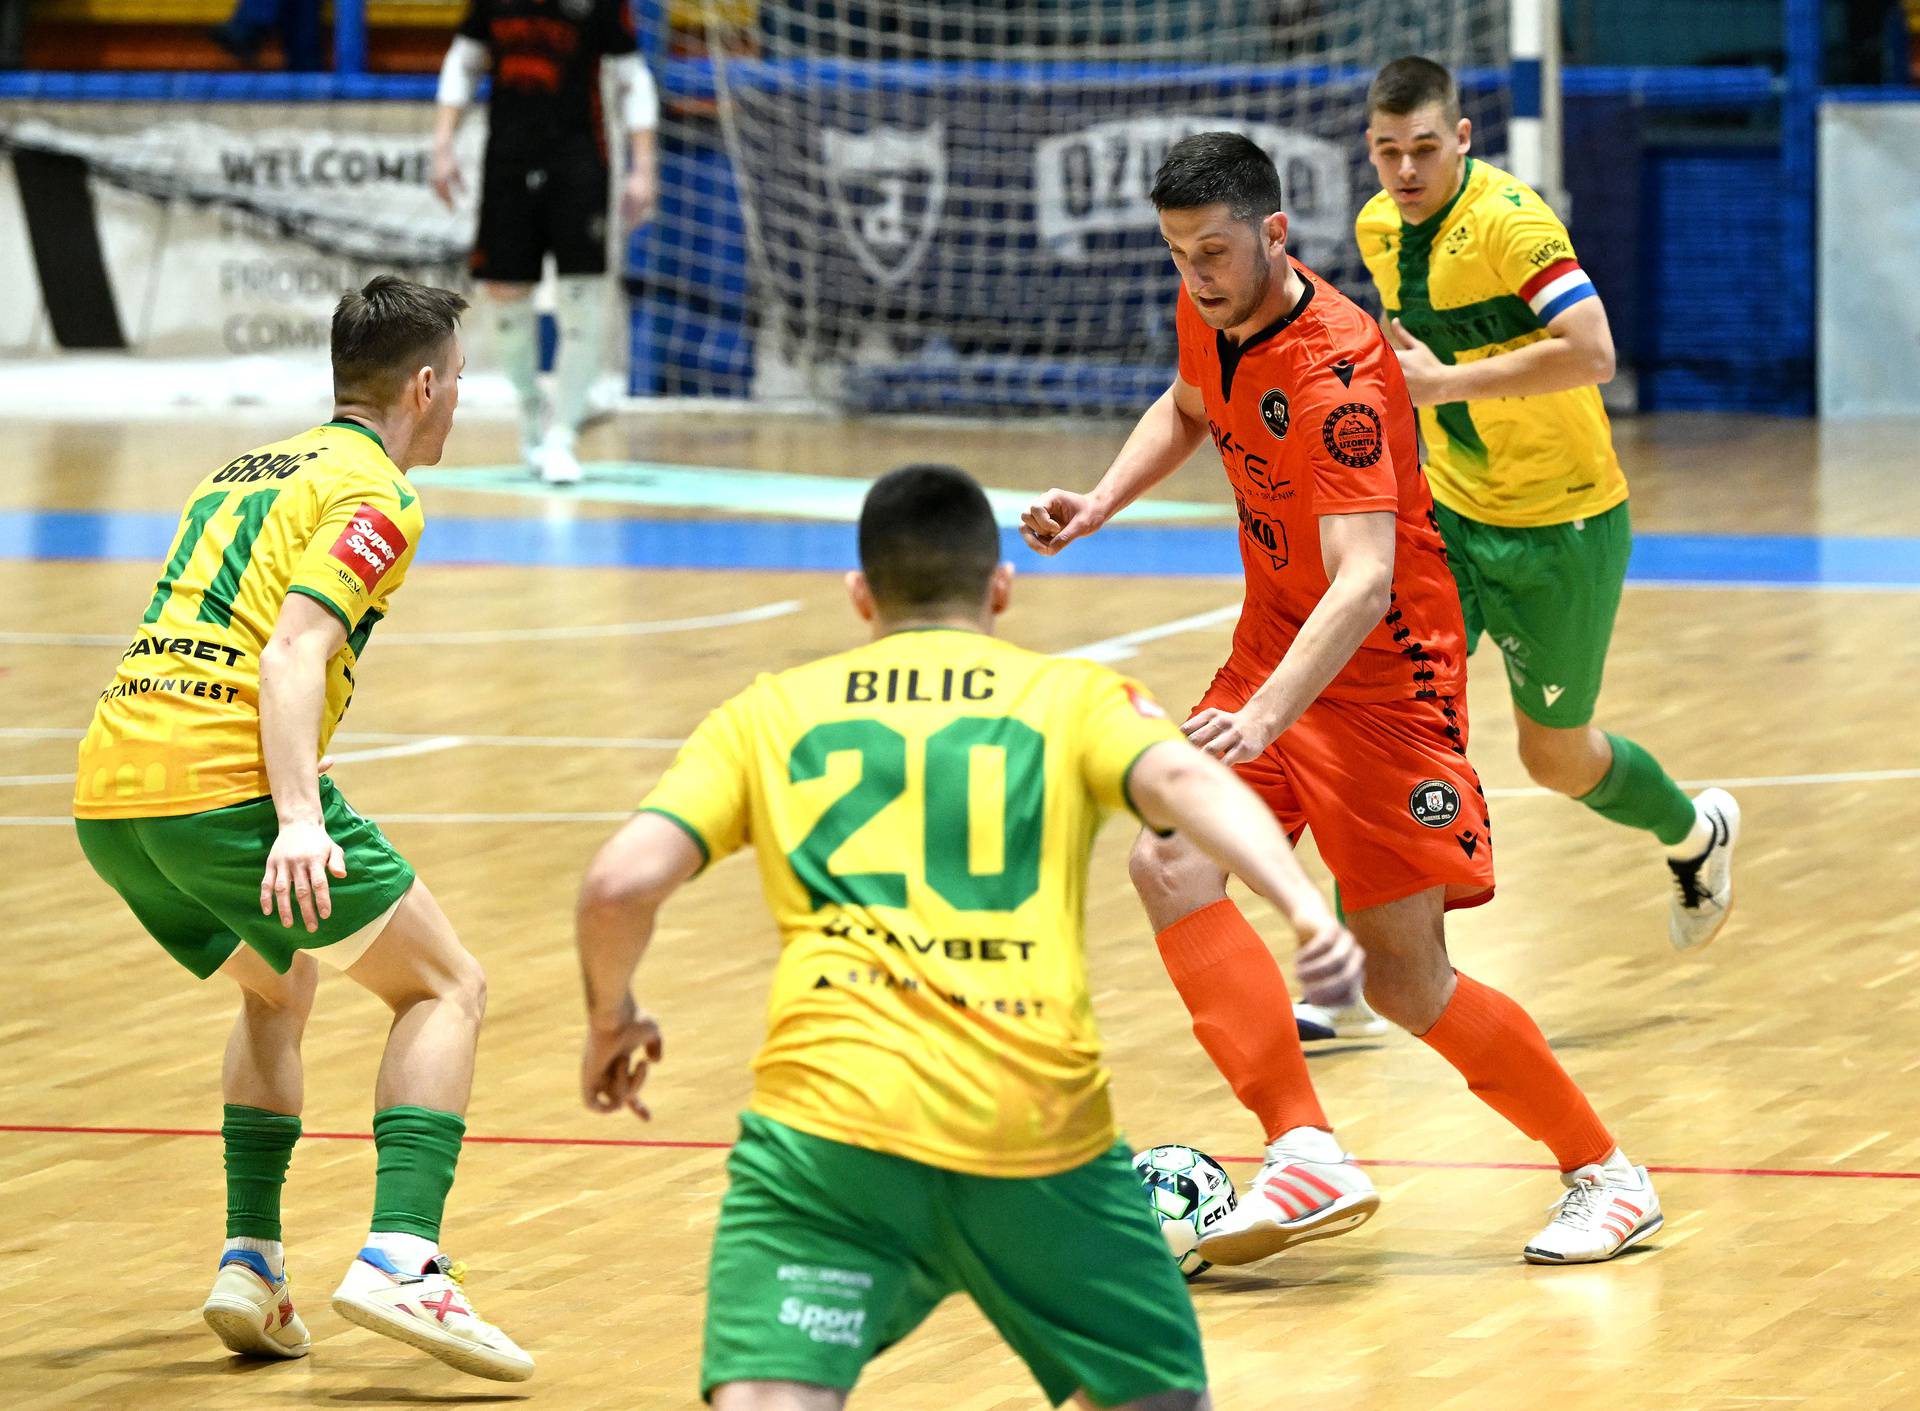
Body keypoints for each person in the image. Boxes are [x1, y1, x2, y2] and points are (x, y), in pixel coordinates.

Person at [574, 463, 1352, 1408]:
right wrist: (1305, 910)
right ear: (1001, 586)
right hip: (1036, 1128)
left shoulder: (767, 713)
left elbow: (617, 884)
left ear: (860, 594)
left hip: (829, 1128)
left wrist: (611, 1015)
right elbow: (1188, 787)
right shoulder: (1071, 696)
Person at [1021, 133, 1663, 1266]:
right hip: (1276, 646)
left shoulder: (1340, 371)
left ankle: (1606, 1173)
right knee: (1169, 862)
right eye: (1177, 254)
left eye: (1213, 251)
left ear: (1276, 233)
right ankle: (1303, 1146)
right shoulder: (1213, 309)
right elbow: (1185, 404)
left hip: (1380, 683)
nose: (1196, 275)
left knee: (1402, 976)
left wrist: (1266, 716)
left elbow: (1365, 580)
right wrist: (1104, 500)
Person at [72, 276, 533, 1381]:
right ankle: (405, 1257)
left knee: (279, 982)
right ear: (423, 386)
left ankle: (252, 1262)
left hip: (112, 789)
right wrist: (293, 818)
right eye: (460, 383)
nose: (460, 403)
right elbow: (290, 650)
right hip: (225, 785)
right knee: (447, 986)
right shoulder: (379, 494)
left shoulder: (243, 467)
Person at [1357, 56, 1737, 952]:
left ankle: (1694, 832)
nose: (1406, 172)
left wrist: (1446, 385)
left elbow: (1594, 350)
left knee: (1553, 756)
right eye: (1386, 152)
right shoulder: (1380, 228)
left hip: (1562, 520)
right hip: (1451, 512)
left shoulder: (1509, 224)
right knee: (1386, 715)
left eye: (1423, 149)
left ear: (1461, 138)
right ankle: (1357, 961)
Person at [432, 0, 660, 485]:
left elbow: (632, 78)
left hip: (580, 159)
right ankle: (532, 409)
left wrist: (643, 167)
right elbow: (463, 61)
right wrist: (442, 143)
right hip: (508, 159)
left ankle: (563, 435)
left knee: (582, 294)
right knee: (504, 292)